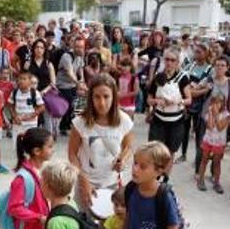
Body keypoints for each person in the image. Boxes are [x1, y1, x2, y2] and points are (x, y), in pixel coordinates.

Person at [69, 75, 135, 214]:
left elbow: (128, 146)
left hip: (112, 185)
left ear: (114, 97)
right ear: (90, 98)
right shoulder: (80, 122)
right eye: (97, 97)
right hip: (85, 184)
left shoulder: (124, 120)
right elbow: (72, 154)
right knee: (85, 228)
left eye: (106, 96)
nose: (102, 102)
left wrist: (122, 160)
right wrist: (82, 179)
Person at [146, 48, 192, 160]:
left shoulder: (183, 78)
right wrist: (157, 101)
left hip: (176, 122)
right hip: (158, 121)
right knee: (155, 151)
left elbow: (189, 100)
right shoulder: (158, 77)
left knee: (170, 152)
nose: (169, 63)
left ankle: (165, 177)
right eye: (167, 59)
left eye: (172, 60)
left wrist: (178, 101)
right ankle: (156, 176)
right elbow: (149, 99)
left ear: (177, 62)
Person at [179, 43, 214, 166]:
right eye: (196, 52)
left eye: (199, 52)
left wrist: (193, 92)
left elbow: (209, 88)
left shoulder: (210, 69)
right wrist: (195, 91)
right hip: (188, 104)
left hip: (201, 105)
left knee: (200, 133)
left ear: (206, 53)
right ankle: (183, 154)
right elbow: (182, 84)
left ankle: (197, 159)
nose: (196, 54)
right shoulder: (190, 66)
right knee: (184, 130)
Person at [197, 94, 230, 193]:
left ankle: (217, 182)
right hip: (208, 140)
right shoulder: (208, 114)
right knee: (204, 160)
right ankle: (200, 180)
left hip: (219, 143)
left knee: (217, 162)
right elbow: (210, 127)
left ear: (223, 104)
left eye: (219, 102)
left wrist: (216, 115)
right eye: (215, 102)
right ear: (211, 103)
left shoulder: (226, 115)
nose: (217, 105)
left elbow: (220, 127)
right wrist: (212, 114)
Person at [57, 37, 86, 134]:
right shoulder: (67, 56)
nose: (79, 49)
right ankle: (63, 126)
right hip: (63, 85)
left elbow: (80, 68)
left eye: (81, 47)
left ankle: (68, 124)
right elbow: (69, 72)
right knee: (68, 105)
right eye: (77, 47)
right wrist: (78, 84)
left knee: (76, 105)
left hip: (72, 84)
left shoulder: (80, 56)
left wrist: (82, 79)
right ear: (73, 46)